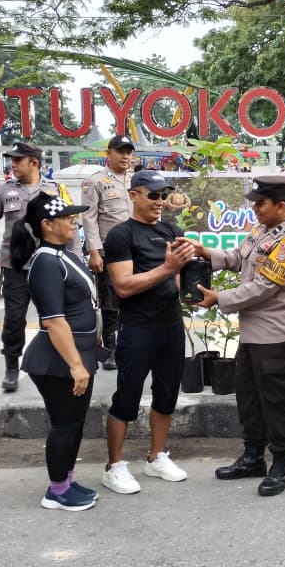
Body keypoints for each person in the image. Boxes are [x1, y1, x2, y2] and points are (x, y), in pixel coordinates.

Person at [192, 175, 285, 496]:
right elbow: (237, 258)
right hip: (253, 335)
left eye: (261, 203)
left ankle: (282, 464)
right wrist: (206, 252)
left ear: (281, 206)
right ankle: (253, 457)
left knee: (276, 401)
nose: (255, 208)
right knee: (248, 397)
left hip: (276, 336)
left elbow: (263, 288)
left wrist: (219, 298)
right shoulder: (262, 231)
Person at [100, 170, 195, 494]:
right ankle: (114, 466)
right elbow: (124, 286)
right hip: (137, 327)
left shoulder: (172, 230)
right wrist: (167, 269)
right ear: (133, 195)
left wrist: (192, 292)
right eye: (152, 195)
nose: (159, 202)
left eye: (163, 195)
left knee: (167, 394)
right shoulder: (120, 235)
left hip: (170, 326)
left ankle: (156, 456)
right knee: (126, 397)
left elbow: (181, 279)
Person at [0, 140, 75, 392]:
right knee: (14, 320)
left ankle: (59, 361)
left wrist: (76, 263)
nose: (13, 164)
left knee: (53, 317)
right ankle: (11, 365)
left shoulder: (55, 189)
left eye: (18, 160)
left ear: (34, 162)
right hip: (15, 267)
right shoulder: (5, 190)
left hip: (48, 265)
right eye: (12, 159)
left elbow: (70, 227)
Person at [13, 192, 103, 512]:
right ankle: (56, 490)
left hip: (77, 353)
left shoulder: (63, 255)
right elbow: (53, 320)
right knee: (64, 423)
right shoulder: (46, 262)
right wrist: (76, 365)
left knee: (75, 421)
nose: (74, 222)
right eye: (67, 218)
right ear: (47, 225)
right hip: (59, 358)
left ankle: (67, 478)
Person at [80, 135, 135, 371]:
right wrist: (94, 251)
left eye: (129, 152)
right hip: (108, 250)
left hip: (136, 249)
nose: (125, 157)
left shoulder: (137, 180)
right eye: (120, 151)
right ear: (108, 154)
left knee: (135, 300)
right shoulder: (95, 181)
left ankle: (131, 345)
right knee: (111, 302)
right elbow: (89, 218)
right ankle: (111, 349)